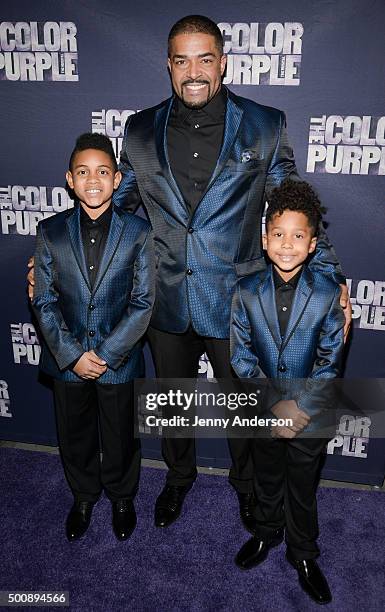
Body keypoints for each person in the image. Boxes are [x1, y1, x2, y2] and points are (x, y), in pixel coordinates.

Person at [28, 15, 351, 532]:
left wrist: (332, 277)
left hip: (238, 300)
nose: (194, 71)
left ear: (223, 63)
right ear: (169, 66)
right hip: (165, 297)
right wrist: (55, 260)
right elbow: (118, 206)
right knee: (172, 401)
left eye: (205, 59)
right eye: (183, 60)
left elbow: (293, 205)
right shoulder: (138, 130)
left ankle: (246, 488)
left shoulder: (265, 124)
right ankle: (178, 479)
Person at [32, 133, 154, 542]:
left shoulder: (138, 232)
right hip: (67, 362)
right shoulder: (50, 232)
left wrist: (104, 353)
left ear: (117, 179)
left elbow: (143, 302)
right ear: (70, 179)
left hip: (117, 360)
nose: (93, 180)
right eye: (83, 172)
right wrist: (73, 356)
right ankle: (83, 495)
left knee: (121, 436)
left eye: (103, 172)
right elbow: (44, 301)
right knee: (75, 433)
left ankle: (122, 497)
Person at [230, 179, 345, 604]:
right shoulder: (244, 292)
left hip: (310, 418)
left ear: (313, 244)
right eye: (278, 234)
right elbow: (241, 358)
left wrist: (298, 407)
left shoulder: (329, 294)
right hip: (263, 410)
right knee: (267, 478)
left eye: (298, 236)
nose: (287, 244)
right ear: (264, 239)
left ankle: (304, 553)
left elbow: (330, 362)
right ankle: (265, 533)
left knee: (301, 486)